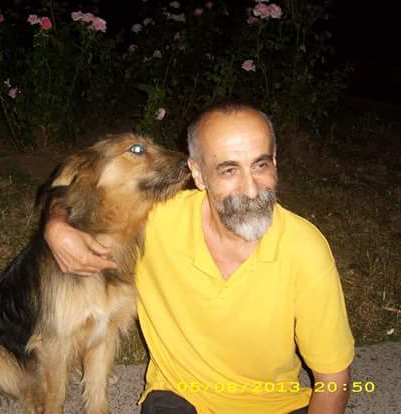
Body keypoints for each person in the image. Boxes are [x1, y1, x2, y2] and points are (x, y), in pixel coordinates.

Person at [44, 102, 354, 414]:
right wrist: (56, 225)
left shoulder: (305, 248)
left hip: (276, 405)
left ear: (275, 162)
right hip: (181, 398)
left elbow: (333, 379)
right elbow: (82, 191)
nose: (250, 189)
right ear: (198, 174)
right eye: (229, 170)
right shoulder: (156, 220)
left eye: (260, 166)